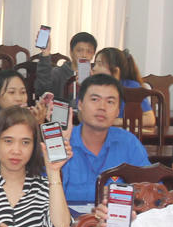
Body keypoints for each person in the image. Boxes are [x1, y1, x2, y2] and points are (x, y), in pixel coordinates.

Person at [60, 74, 151, 203]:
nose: (102, 107)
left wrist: (120, 197)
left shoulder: (128, 143)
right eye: (95, 99)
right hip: (66, 221)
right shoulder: (63, 143)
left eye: (110, 102)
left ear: (118, 111)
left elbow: (152, 189)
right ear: (80, 104)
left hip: (114, 220)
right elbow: (43, 194)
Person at [92, 47, 154, 128]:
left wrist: (119, 121)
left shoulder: (132, 87)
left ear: (115, 70)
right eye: (95, 64)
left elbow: (150, 119)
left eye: (99, 64)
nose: (94, 68)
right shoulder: (92, 87)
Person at [0, 70, 42, 141]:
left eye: (23, 92)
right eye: (11, 92)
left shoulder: (30, 121)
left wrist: (36, 126)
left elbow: (40, 151)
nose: (19, 98)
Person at [33, 31, 96, 102]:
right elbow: (42, 91)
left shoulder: (96, 77)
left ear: (93, 54)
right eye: (79, 50)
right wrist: (45, 54)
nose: (84, 55)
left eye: (89, 51)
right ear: (71, 52)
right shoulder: (58, 73)